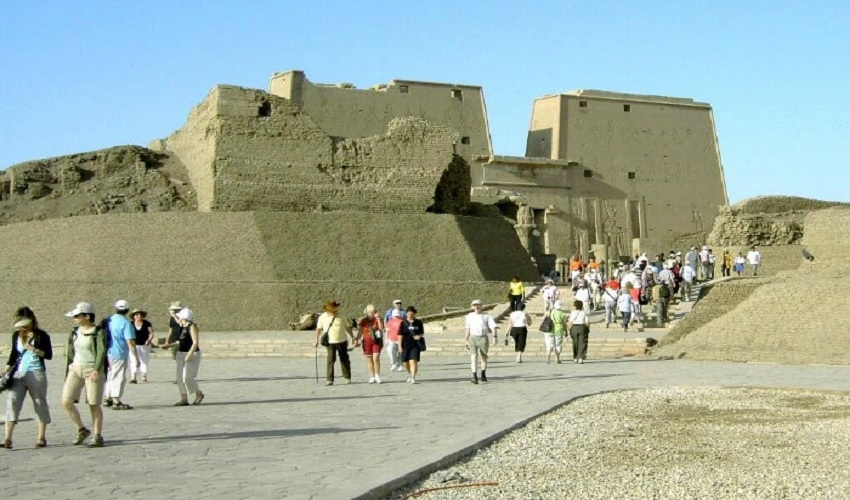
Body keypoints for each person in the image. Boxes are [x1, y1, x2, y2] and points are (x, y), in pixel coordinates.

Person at [2, 309, 52, 449]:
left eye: (25, 324)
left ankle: (41, 437)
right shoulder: (16, 335)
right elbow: (14, 354)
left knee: (39, 402)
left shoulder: (42, 336)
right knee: (12, 400)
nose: (23, 328)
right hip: (18, 372)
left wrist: (33, 349)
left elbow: (48, 355)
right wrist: (6, 370)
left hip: (36, 372)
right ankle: (7, 438)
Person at [61, 302, 108, 448]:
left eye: (77, 315)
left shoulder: (98, 332)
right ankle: (81, 429)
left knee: (93, 403)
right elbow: (71, 351)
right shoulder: (75, 332)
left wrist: (97, 369)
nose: (74, 318)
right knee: (66, 401)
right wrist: (69, 367)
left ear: (87, 316)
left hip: (91, 368)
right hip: (75, 368)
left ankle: (97, 435)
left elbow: (101, 351)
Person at [160, 308, 204, 405]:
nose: (178, 317)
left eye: (179, 316)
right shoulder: (182, 327)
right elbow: (180, 341)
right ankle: (184, 399)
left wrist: (189, 354)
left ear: (183, 317)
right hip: (181, 353)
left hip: (192, 354)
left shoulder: (192, 327)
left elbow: (195, 342)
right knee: (179, 377)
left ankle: (199, 393)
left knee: (187, 377)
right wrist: (168, 345)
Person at [104, 300, 137, 410]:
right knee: (118, 376)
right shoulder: (126, 323)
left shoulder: (109, 319)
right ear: (127, 310)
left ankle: (107, 397)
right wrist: (135, 357)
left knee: (110, 375)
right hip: (120, 353)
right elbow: (130, 342)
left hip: (109, 352)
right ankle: (116, 400)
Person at [314, 299, 356, 386]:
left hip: (342, 341)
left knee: (344, 359)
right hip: (330, 342)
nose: (336, 311)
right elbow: (318, 329)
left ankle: (347, 377)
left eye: (336, 309)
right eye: (334, 310)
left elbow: (347, 327)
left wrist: (352, 337)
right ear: (328, 311)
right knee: (330, 360)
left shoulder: (342, 316)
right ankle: (329, 379)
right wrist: (316, 340)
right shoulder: (322, 317)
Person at [464, 299, 498, 383]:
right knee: (474, 356)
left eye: (478, 305)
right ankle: (474, 375)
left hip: (483, 337)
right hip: (473, 338)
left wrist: (494, 336)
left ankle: (483, 374)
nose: (476, 306)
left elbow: (493, 326)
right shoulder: (469, 316)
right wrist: (466, 339)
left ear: (481, 306)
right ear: (472, 306)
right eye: (474, 305)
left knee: (483, 356)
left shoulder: (486, 316)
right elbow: (467, 328)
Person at [356, 305, 384, 384]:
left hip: (376, 340)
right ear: (367, 312)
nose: (372, 313)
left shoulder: (378, 319)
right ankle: (372, 376)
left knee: (376, 358)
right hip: (366, 341)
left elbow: (382, 328)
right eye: (370, 312)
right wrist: (356, 339)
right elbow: (360, 331)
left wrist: (378, 319)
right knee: (369, 359)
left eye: (374, 311)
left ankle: (377, 375)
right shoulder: (363, 320)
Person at [399, 306, 425, 384]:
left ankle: (413, 377)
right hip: (405, 344)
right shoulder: (403, 323)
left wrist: (419, 336)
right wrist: (399, 346)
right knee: (405, 362)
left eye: (411, 314)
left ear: (414, 314)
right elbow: (400, 334)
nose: (410, 316)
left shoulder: (418, 322)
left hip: (415, 344)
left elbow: (422, 332)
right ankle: (409, 374)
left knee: (413, 361)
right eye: (408, 314)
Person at [129, 309, 154, 384]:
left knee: (144, 360)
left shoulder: (146, 323)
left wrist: (149, 340)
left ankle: (144, 376)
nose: (138, 316)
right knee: (133, 360)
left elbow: (151, 333)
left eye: (140, 314)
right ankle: (133, 377)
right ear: (133, 316)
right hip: (134, 345)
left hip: (145, 345)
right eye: (136, 315)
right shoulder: (130, 324)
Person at [567, 300, 590, 364]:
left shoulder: (573, 312)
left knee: (575, 343)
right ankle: (580, 358)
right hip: (582, 327)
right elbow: (587, 322)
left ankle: (575, 357)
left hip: (574, 327)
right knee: (582, 343)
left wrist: (569, 329)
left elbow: (570, 321)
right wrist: (588, 328)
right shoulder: (583, 313)